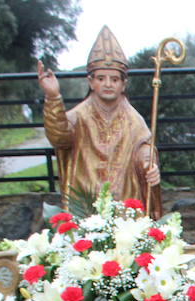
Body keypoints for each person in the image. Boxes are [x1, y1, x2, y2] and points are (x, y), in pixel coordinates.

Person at [37, 27, 161, 215]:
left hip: (125, 205)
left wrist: (148, 162)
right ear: (91, 81)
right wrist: (53, 97)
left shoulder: (134, 119)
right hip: (86, 202)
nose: (108, 84)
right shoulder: (78, 116)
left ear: (123, 84)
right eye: (101, 78)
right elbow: (59, 137)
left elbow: (144, 145)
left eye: (114, 79)